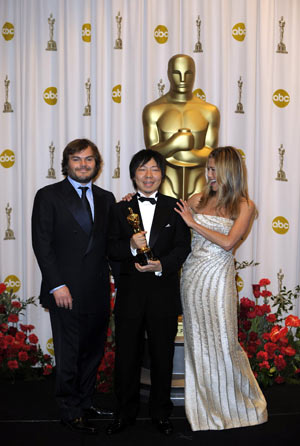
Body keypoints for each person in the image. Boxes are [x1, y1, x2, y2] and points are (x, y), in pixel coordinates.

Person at [175, 146, 268, 430]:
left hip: (218, 277)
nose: (209, 174)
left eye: (214, 169)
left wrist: (193, 223)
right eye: (208, 169)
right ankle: (205, 407)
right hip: (192, 277)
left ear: (230, 171)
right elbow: (168, 216)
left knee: (225, 342)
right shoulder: (198, 198)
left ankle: (237, 405)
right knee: (198, 343)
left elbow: (228, 242)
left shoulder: (244, 205)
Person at [32, 139, 115, 435]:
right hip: (64, 290)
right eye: (77, 160)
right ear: (66, 163)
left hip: (97, 289)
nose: (83, 165)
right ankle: (70, 409)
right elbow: (42, 244)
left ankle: (86, 400)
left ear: (97, 164)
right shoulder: (49, 195)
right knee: (69, 352)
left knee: (92, 350)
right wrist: (57, 285)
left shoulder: (107, 198)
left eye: (89, 159)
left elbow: (110, 243)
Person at [106, 149, 191, 436]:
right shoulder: (120, 209)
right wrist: (130, 245)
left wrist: (161, 265)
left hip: (163, 292)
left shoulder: (176, 207)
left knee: (162, 355)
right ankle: (124, 412)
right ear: (133, 175)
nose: (149, 175)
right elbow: (110, 249)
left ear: (162, 174)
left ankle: (161, 413)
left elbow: (183, 247)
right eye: (142, 170)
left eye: (154, 169)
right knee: (127, 356)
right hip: (130, 293)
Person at [142, 53, 220, 200]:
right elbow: (151, 155)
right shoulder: (153, 110)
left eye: (188, 73)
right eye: (177, 73)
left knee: (198, 222)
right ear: (169, 74)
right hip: (165, 184)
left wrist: (177, 153)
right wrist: (174, 144)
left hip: (199, 184)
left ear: (194, 74)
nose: (183, 79)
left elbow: (212, 155)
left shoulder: (210, 111)